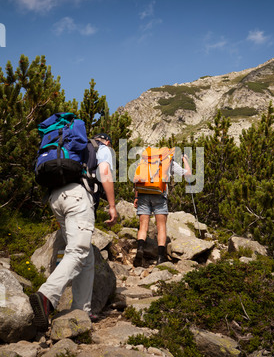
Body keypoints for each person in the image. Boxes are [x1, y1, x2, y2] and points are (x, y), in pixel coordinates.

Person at [29, 132, 117, 331]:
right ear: (108, 141)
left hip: (55, 198)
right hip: (77, 196)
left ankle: (82, 310)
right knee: (77, 251)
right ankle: (46, 296)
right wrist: (112, 205)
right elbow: (104, 172)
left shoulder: (75, 148)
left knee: (84, 256)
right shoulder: (103, 149)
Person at [133, 152, 191, 267]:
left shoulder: (145, 161)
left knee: (143, 226)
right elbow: (188, 174)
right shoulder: (169, 161)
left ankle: (139, 250)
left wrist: (136, 197)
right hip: (159, 195)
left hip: (143, 194)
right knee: (161, 227)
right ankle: (160, 258)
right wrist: (185, 159)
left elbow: (137, 180)